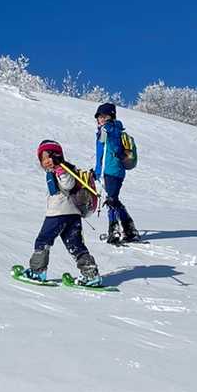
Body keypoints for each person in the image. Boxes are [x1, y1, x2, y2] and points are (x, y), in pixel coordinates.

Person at [20, 140, 102, 285]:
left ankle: (37, 272)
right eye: (43, 159)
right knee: (75, 244)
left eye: (49, 157)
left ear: (57, 156)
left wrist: (60, 169)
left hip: (58, 214)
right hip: (72, 214)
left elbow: (68, 184)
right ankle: (90, 274)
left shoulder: (63, 169)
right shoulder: (58, 171)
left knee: (43, 240)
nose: (46, 161)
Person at [93, 102, 140, 244]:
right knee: (114, 200)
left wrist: (118, 152)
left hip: (112, 170)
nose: (101, 119)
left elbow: (112, 146)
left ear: (111, 117)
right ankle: (129, 229)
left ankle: (114, 231)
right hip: (110, 171)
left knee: (111, 200)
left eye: (104, 116)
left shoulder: (109, 129)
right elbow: (102, 152)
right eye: (99, 116)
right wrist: (97, 170)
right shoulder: (107, 130)